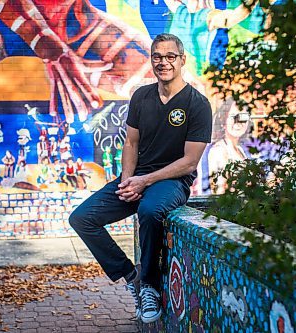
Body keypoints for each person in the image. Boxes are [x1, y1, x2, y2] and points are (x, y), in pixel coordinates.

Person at [69, 33, 212, 324]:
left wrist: (145, 182)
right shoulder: (141, 96)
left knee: (149, 211)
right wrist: (128, 179)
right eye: (157, 56)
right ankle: (131, 275)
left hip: (173, 182)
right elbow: (131, 143)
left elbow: (189, 161)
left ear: (182, 60)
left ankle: (149, 285)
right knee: (82, 218)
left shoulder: (198, 104)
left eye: (170, 56)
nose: (163, 62)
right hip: (137, 178)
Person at [205, 97, 249, 194]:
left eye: (242, 117)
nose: (238, 123)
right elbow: (218, 191)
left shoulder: (240, 150)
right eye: (233, 117)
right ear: (223, 120)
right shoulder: (219, 151)